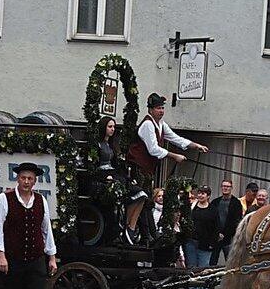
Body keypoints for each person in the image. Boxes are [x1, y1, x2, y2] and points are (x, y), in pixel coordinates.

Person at [128, 93, 208, 240]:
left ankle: (148, 234)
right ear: (150, 110)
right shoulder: (147, 124)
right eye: (158, 108)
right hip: (139, 168)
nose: (161, 111)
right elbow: (153, 149)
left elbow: (175, 138)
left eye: (162, 108)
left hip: (148, 170)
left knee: (147, 203)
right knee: (142, 200)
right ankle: (135, 230)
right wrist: (174, 156)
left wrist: (195, 145)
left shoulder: (161, 125)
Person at [96, 116, 148, 245]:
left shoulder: (112, 145)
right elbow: (94, 166)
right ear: (103, 127)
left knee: (142, 195)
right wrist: (104, 177)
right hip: (104, 176)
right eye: (110, 126)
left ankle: (130, 226)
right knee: (134, 194)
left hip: (113, 174)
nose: (112, 129)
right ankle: (125, 226)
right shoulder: (97, 144)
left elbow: (116, 165)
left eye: (114, 127)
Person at [139, 187, 178, 289]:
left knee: (170, 285)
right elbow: (154, 232)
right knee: (167, 284)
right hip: (160, 250)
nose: (161, 198)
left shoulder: (169, 214)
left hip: (168, 250)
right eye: (160, 196)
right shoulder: (154, 212)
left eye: (164, 196)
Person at [190, 185, 218, 289]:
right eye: (199, 193)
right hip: (192, 241)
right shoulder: (193, 207)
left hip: (206, 243)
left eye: (203, 193)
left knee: (204, 267)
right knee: (192, 266)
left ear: (208, 196)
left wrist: (212, 243)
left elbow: (216, 228)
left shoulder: (213, 210)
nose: (200, 195)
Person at [209, 179, 243, 266]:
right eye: (224, 186)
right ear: (221, 187)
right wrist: (217, 233)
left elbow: (236, 221)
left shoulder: (236, 203)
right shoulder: (215, 202)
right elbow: (211, 220)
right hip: (215, 237)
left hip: (229, 238)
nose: (225, 188)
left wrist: (225, 234)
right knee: (212, 262)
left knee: (230, 263)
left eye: (228, 186)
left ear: (231, 188)